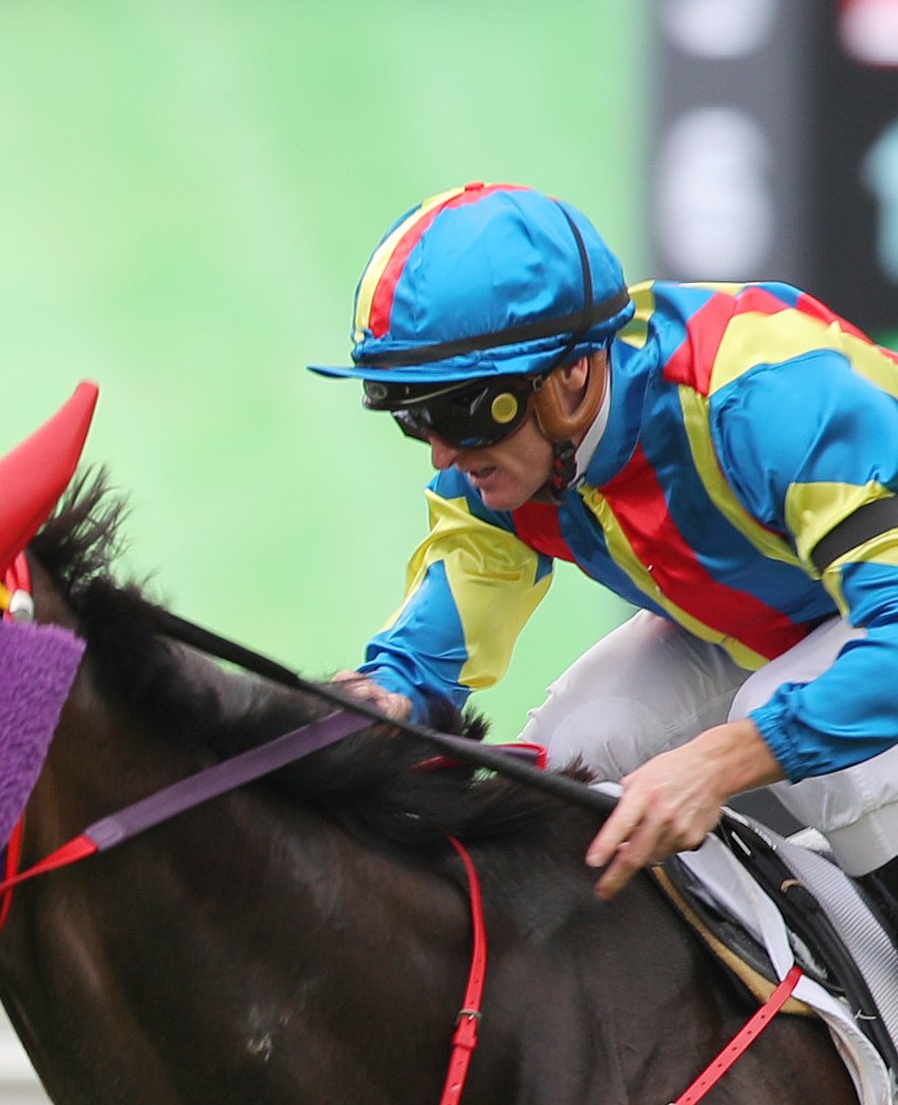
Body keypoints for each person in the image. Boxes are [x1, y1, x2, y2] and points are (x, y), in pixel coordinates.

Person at [323, 182, 898, 901]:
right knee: (573, 758)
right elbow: (420, 664)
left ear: (572, 373)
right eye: (416, 418)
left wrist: (722, 761)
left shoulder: (765, 398)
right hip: (794, 617)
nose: (444, 453)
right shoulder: (496, 472)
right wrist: (381, 701)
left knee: (790, 725)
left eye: (462, 412)